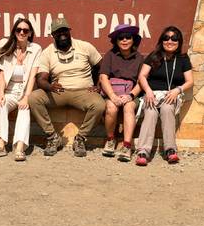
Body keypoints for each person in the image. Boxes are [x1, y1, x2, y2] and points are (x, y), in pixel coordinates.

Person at [28, 18, 105, 157]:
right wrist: (50, 86)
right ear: (53, 35)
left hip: (83, 91)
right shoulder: (48, 52)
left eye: (64, 30)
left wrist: (99, 85)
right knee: (34, 98)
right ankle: (53, 138)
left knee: (99, 105)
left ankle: (80, 138)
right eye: (57, 32)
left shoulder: (85, 46)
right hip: (59, 91)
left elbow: (103, 67)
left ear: (69, 31)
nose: (61, 34)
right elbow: (40, 79)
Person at [136, 26, 194, 166]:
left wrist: (177, 90)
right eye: (166, 38)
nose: (170, 41)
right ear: (162, 41)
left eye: (174, 38)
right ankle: (143, 151)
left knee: (168, 109)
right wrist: (148, 91)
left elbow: (190, 81)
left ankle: (170, 150)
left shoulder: (183, 59)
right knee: (150, 112)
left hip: (171, 95)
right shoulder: (154, 56)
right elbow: (142, 76)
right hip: (152, 94)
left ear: (179, 42)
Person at [0, 18, 42, 161]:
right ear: (14, 32)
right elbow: (2, 73)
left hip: (24, 91)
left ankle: (19, 148)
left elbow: (32, 77)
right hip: (9, 91)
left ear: (30, 33)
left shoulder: (35, 49)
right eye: (19, 30)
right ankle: (0, 146)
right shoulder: (6, 46)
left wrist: (27, 97)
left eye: (25, 30)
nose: (22, 32)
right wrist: (1, 93)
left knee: (24, 109)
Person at [99, 24, 144, 162]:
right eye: (120, 38)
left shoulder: (139, 58)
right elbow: (103, 77)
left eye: (128, 37)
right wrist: (112, 96)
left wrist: (130, 96)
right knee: (111, 108)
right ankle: (111, 140)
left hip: (131, 93)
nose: (124, 40)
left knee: (129, 107)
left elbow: (142, 81)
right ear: (116, 41)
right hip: (112, 92)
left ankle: (126, 145)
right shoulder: (110, 55)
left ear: (133, 40)